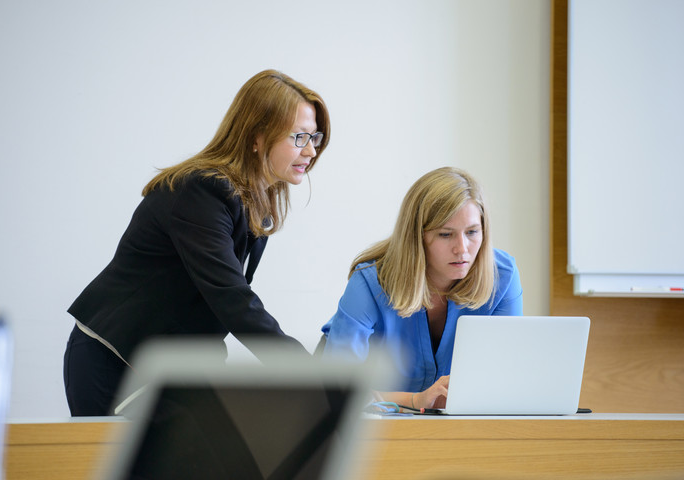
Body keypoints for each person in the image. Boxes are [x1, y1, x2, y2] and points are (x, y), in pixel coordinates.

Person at [64, 69, 331, 416]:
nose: (311, 150)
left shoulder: (254, 203)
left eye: (315, 137)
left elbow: (212, 306)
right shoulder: (201, 191)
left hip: (165, 366)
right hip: (115, 360)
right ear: (257, 137)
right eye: (299, 137)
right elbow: (231, 297)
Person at [321, 166, 523, 410]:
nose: (463, 248)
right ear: (417, 236)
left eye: (472, 232)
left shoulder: (502, 276)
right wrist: (415, 400)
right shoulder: (369, 282)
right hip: (360, 418)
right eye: (445, 234)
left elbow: (504, 378)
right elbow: (339, 387)